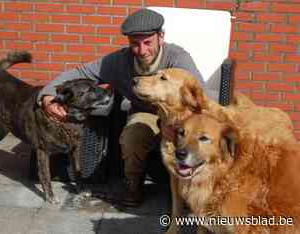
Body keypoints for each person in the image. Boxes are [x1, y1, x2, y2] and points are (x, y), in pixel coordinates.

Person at [37, 8, 204, 207]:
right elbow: (78, 72)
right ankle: (133, 187)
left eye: (148, 42)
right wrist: (46, 96)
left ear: (161, 37)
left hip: (180, 118)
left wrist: (179, 124)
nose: (142, 50)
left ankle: (190, 189)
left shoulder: (178, 59)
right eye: (135, 43)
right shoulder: (118, 61)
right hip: (146, 113)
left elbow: (201, 97)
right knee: (132, 136)